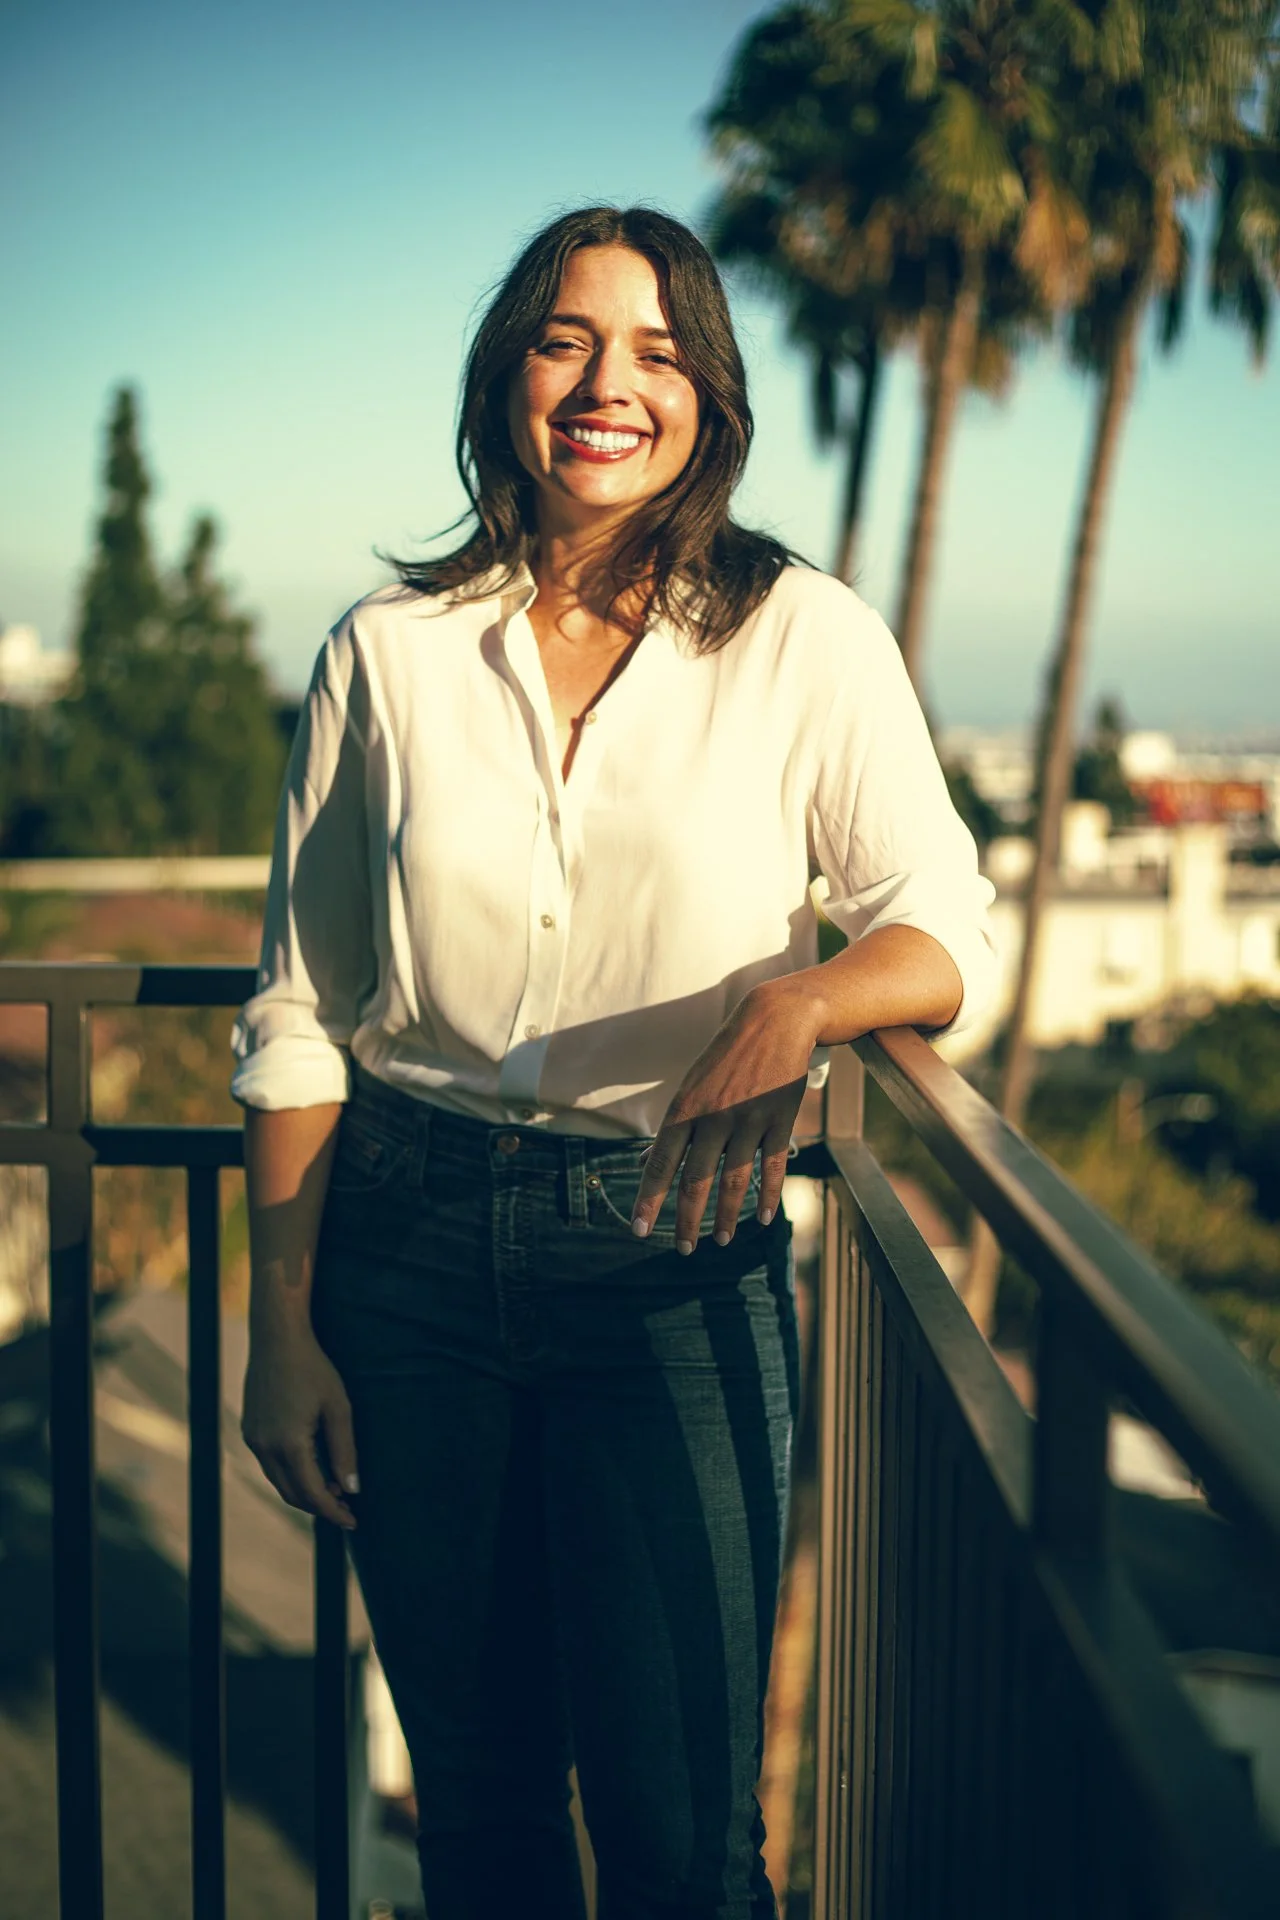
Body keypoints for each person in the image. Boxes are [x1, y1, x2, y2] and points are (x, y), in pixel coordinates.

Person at [232, 205, 996, 1920]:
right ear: (507, 374)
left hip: (673, 1250)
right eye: (566, 340)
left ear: (707, 398)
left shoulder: (801, 638)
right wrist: (281, 1332)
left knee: (684, 1843)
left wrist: (804, 1005)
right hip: (405, 1261)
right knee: (481, 1816)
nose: (605, 385)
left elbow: (947, 923)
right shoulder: (386, 651)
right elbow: (299, 1013)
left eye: (656, 352)